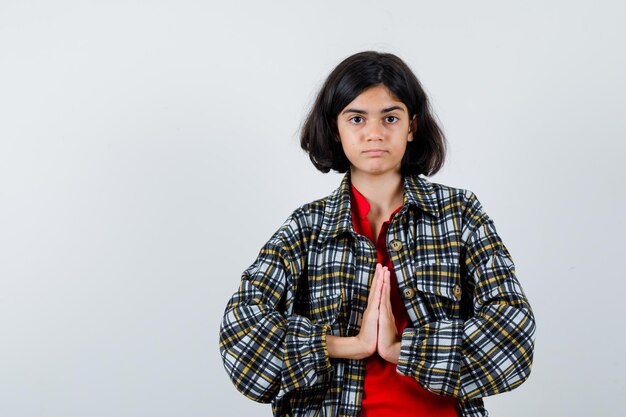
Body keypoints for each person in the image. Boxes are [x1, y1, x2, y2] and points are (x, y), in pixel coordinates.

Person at [218, 51, 536, 417]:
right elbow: (240, 335)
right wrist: (347, 345)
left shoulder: (460, 214)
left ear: (411, 126)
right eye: (356, 118)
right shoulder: (306, 227)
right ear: (335, 129)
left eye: (390, 117)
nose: (374, 133)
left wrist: (404, 350)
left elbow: (515, 334)